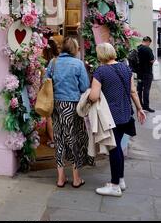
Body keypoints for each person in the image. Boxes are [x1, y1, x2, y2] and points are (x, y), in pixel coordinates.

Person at [89, 43, 146, 197]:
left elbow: (94, 96)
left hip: (111, 117)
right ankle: (120, 180)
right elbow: (133, 91)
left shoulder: (100, 71)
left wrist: (87, 97)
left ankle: (114, 186)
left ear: (100, 55)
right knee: (118, 148)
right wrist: (140, 109)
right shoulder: (125, 68)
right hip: (126, 114)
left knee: (114, 149)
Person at [46, 37, 92, 188]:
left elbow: (45, 82)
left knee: (59, 140)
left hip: (56, 105)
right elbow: (85, 87)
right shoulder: (78, 64)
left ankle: (60, 178)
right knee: (73, 140)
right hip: (72, 105)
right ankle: (76, 178)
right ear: (75, 49)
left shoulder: (53, 62)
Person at [42, 38, 60, 148]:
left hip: (49, 91)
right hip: (59, 91)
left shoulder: (45, 63)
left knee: (49, 117)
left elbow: (44, 80)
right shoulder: (58, 61)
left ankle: (53, 140)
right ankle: (55, 138)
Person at [137, 36, 155, 113]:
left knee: (140, 89)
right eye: (149, 43)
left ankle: (140, 105)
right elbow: (151, 60)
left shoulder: (138, 48)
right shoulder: (148, 49)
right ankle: (146, 106)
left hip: (139, 73)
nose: (149, 45)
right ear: (147, 41)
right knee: (146, 90)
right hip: (147, 73)